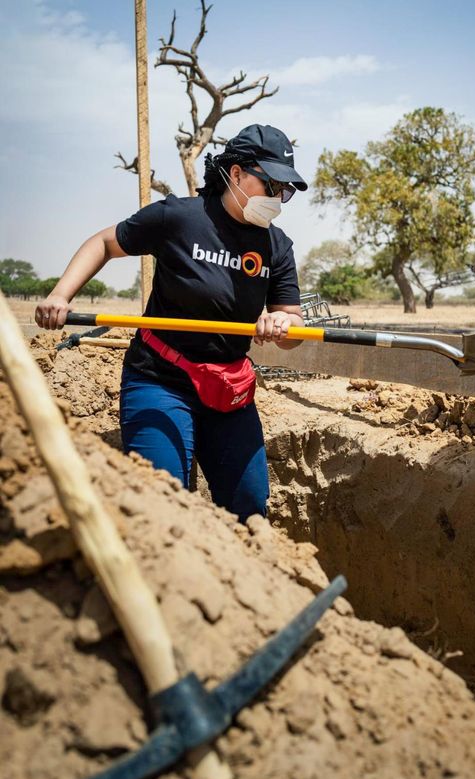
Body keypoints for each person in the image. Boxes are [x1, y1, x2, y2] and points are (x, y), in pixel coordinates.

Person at [34, 123, 308, 523]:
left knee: (250, 507)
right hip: (160, 379)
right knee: (164, 503)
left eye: (285, 192)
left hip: (227, 388)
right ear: (236, 174)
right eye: (271, 185)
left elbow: (292, 324)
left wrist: (283, 324)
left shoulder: (276, 246)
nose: (278, 199)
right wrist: (61, 295)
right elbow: (104, 243)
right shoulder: (180, 218)